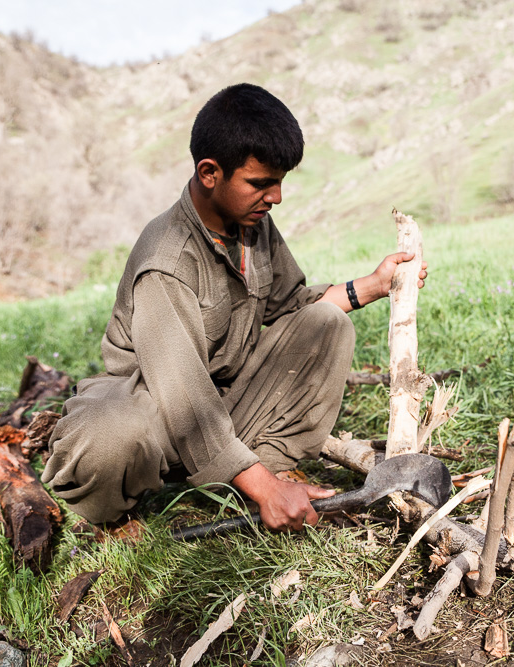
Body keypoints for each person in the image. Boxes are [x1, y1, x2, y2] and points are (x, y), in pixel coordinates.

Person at [41, 83, 427, 532]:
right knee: (109, 438)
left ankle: (259, 468)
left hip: (223, 407)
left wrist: (374, 285)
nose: (276, 197)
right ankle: (109, 517)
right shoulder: (166, 260)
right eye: (261, 184)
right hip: (155, 415)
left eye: (280, 182)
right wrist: (265, 489)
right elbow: (183, 398)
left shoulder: (251, 224)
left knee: (325, 323)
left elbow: (295, 307)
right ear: (209, 173)